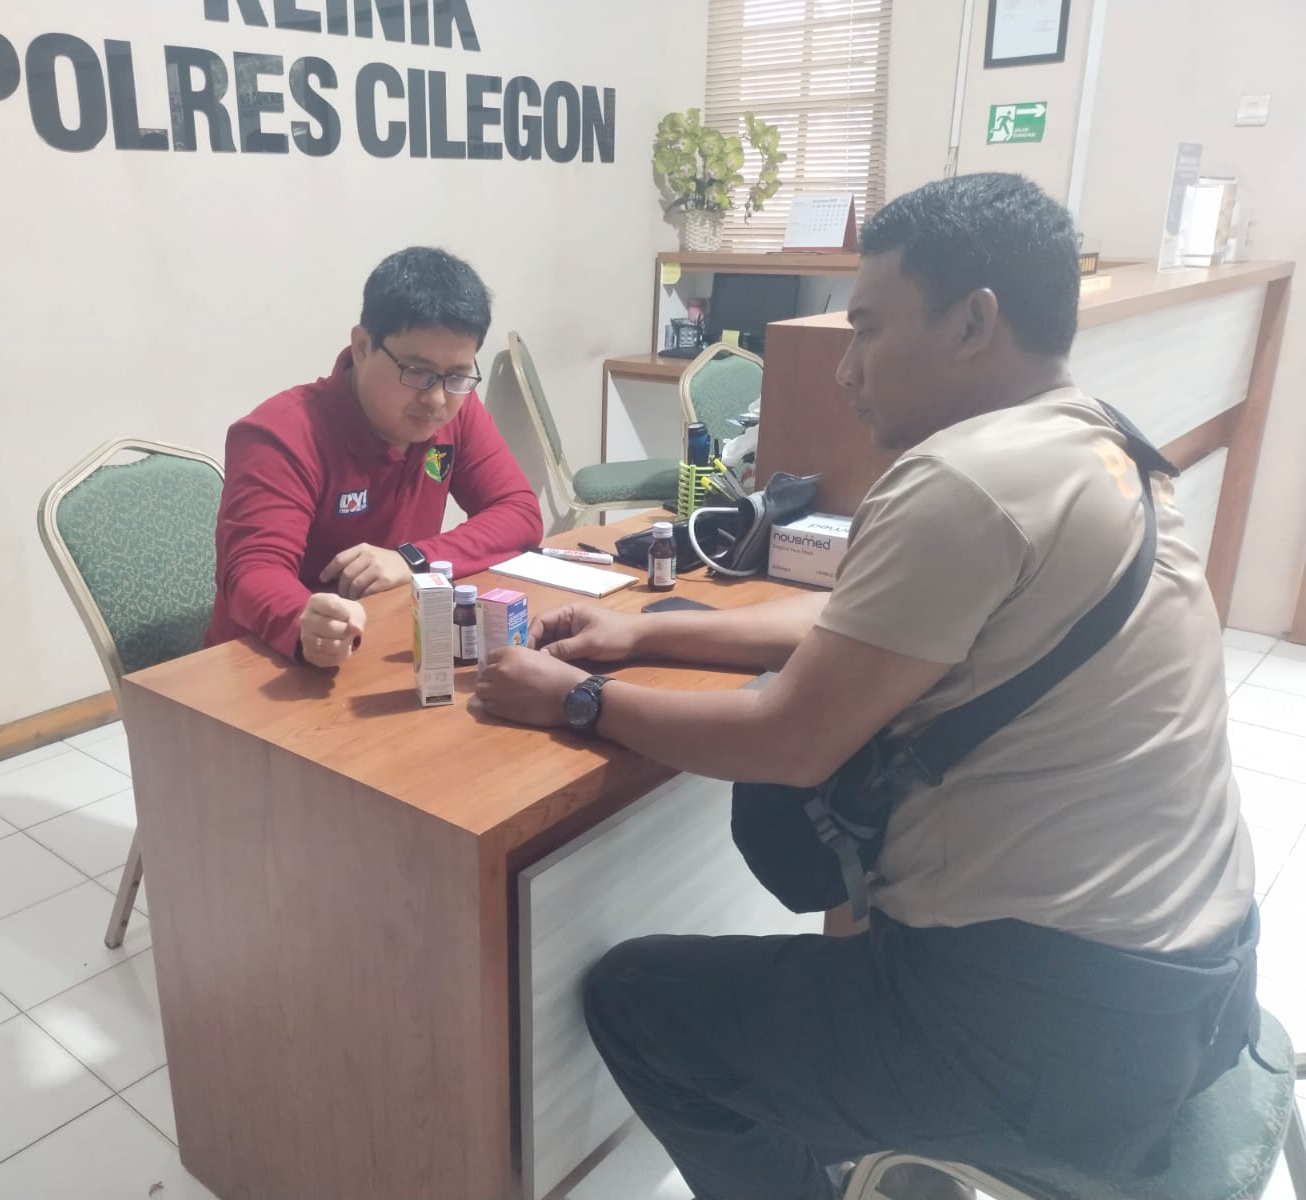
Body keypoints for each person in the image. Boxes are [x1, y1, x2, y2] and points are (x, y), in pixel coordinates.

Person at [474, 174, 1261, 1199]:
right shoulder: (1100, 446)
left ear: (972, 323)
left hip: (1045, 1033)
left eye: (870, 330)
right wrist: (639, 633)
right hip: (1190, 990)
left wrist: (574, 700)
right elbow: (866, 625)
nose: (845, 370)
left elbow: (787, 739)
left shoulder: (963, 479)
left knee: (638, 1002)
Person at [206, 246, 543, 667]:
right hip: (273, 664)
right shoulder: (281, 433)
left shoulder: (455, 412)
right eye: (417, 372)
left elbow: (519, 512)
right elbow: (254, 571)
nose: (437, 399)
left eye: (457, 375)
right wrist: (305, 621)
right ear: (362, 346)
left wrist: (413, 560)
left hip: (388, 641)